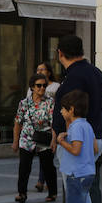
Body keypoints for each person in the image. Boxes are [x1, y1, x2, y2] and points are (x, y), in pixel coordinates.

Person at [51, 35, 102, 203]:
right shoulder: (96, 73)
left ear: (60, 53)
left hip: (77, 143)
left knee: (77, 198)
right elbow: (100, 105)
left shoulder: (73, 77)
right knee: (87, 195)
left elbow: (71, 113)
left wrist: (60, 137)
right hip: (93, 138)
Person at [55, 91, 97, 203]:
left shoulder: (77, 127)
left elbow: (76, 149)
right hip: (87, 172)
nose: (61, 112)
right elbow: (94, 148)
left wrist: (61, 141)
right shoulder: (86, 125)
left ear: (71, 109)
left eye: (63, 110)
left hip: (75, 174)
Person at [13, 73, 57, 203]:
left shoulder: (50, 102)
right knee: (24, 167)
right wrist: (15, 141)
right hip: (27, 138)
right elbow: (18, 122)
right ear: (32, 87)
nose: (42, 88)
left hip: (44, 138)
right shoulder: (24, 103)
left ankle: (52, 192)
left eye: (44, 85)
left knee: (48, 166)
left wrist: (54, 140)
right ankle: (22, 193)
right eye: (39, 86)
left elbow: (53, 123)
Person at [31, 61, 60, 193]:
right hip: (35, 127)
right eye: (38, 70)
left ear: (49, 72)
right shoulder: (31, 88)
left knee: (46, 156)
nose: (40, 72)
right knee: (43, 157)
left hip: (49, 127)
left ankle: (43, 181)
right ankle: (44, 181)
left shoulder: (56, 86)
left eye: (42, 70)